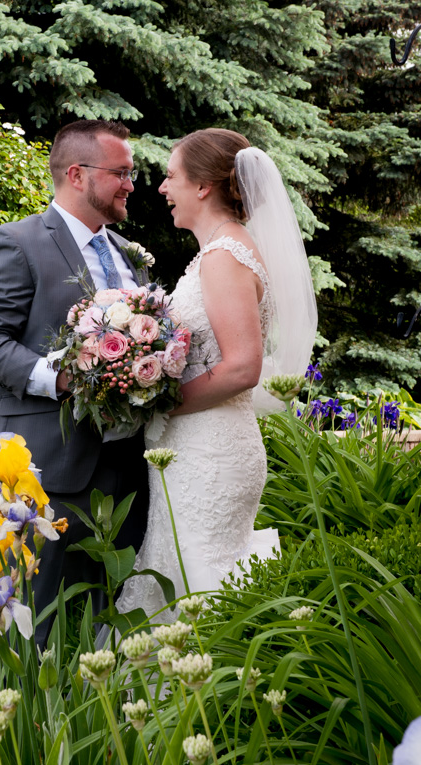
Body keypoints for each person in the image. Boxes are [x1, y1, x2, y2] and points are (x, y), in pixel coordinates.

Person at [116, 128, 317, 623]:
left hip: (210, 450)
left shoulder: (224, 256)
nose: (162, 187)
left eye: (171, 176)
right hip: (195, 447)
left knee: (201, 586)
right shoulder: (220, 250)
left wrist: (160, 403)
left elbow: (243, 367)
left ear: (203, 186)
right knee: (184, 578)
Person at [0, 119, 150, 644]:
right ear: (77, 174)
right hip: (48, 471)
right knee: (33, 634)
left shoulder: (130, 255)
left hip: (130, 474)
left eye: (131, 173)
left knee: (109, 631)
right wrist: (69, 378)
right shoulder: (16, 242)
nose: (130, 184)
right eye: (120, 173)